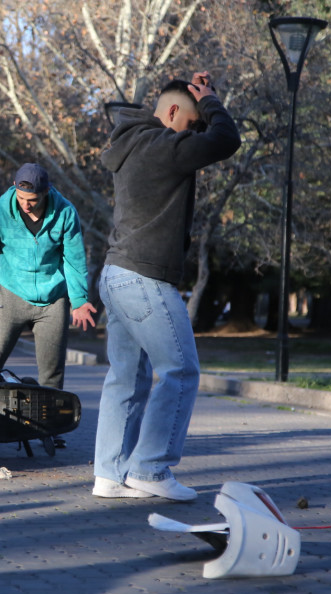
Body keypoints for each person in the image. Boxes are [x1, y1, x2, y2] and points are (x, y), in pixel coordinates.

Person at [93, 72, 241, 500]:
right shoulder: (164, 146)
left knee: (126, 378)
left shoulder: (132, 143)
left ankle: (110, 473)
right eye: (193, 123)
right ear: (173, 113)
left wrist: (203, 104)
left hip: (116, 274)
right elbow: (226, 140)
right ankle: (151, 470)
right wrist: (211, 99)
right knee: (180, 371)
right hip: (144, 278)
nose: (196, 133)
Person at [0, 163, 97, 391]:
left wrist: (79, 300)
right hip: (10, 295)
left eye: (32, 199)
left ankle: (46, 426)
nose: (25, 204)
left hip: (52, 301)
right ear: (14, 187)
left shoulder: (65, 212)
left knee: (52, 377)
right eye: (21, 197)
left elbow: (74, 260)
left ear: (46, 191)